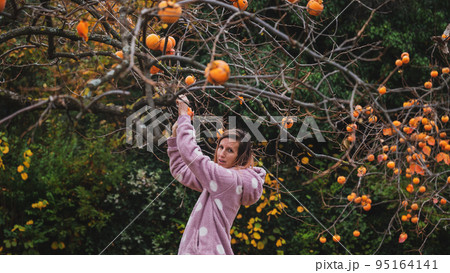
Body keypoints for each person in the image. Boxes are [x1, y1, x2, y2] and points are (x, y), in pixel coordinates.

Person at [167, 95, 266, 255]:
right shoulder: (217, 182)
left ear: (240, 158)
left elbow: (193, 156)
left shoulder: (229, 180)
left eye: (230, 150)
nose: (221, 154)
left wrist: (184, 116)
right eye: (220, 147)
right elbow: (180, 170)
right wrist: (174, 136)